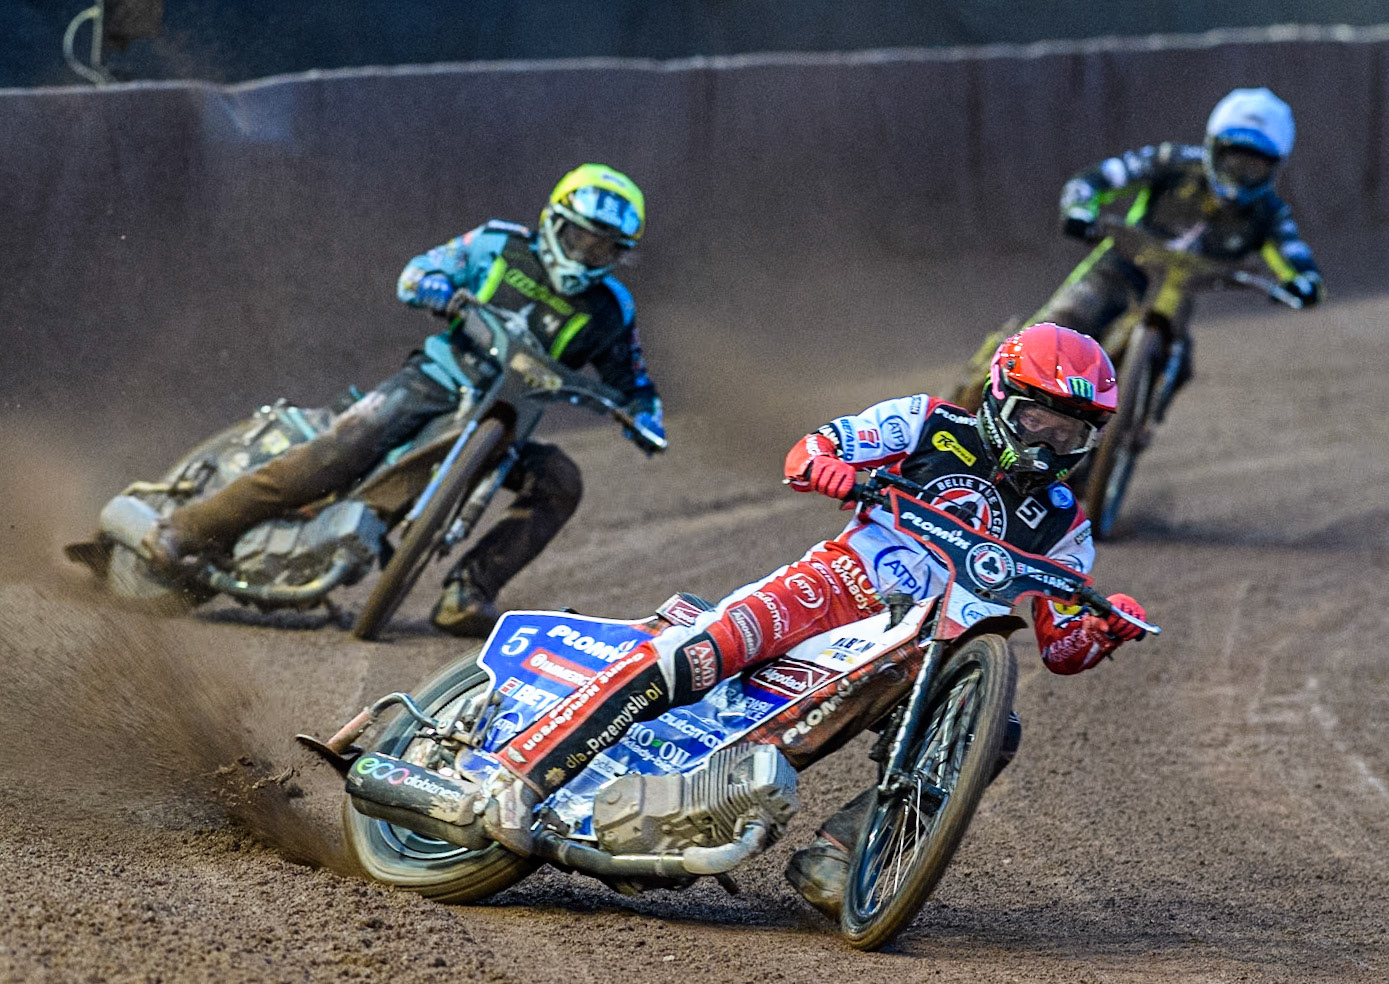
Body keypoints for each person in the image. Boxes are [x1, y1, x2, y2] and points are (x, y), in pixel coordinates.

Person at [478, 322, 1150, 919]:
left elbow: (1061, 646)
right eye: (1040, 420)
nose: (1052, 442)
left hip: (927, 652)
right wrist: (829, 470)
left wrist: (1102, 628)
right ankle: (526, 772)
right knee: (697, 655)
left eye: (1072, 432)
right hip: (838, 586)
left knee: (993, 729)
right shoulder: (927, 423)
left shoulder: (1067, 524)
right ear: (1003, 399)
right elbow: (812, 450)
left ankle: (841, 854)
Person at [141, 163, 663, 637]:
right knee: (336, 454)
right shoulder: (497, 244)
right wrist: (437, 289)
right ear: (554, 220)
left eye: (601, 249)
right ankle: (184, 531)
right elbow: (418, 272)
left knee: (562, 480)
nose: (583, 254)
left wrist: (644, 414)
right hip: (432, 382)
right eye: (578, 237)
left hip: (506, 424)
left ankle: (469, 593)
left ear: (618, 255)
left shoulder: (612, 309)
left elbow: (634, 378)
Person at [954, 87, 1323, 411]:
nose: (1240, 176)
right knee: (1053, 329)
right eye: (1234, 160)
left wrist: (1302, 284)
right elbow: (1097, 179)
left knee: (1176, 366)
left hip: (1174, 295)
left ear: (1274, 168)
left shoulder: (1270, 213)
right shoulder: (1172, 162)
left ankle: (1117, 444)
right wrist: (1080, 208)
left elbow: (1298, 260)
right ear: (1213, 148)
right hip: (1118, 268)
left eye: (1253, 167)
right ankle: (962, 407)